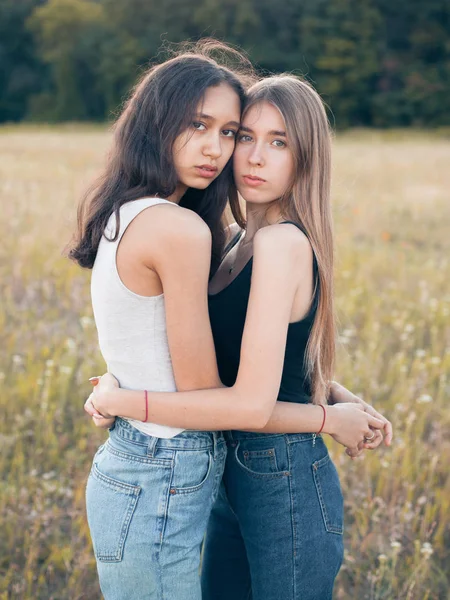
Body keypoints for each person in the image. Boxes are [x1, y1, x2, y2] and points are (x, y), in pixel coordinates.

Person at [85, 74, 392, 599]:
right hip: (233, 471)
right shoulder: (231, 241)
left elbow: (250, 403)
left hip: (285, 477)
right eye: (244, 136)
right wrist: (335, 396)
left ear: (307, 158)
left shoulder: (281, 244)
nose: (253, 157)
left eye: (279, 143)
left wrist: (123, 399)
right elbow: (253, 359)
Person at [69, 40, 254, 600]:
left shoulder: (123, 213)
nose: (215, 148)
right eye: (197, 124)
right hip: (162, 467)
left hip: (134, 461)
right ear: (156, 122)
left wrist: (119, 397)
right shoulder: (178, 229)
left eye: (229, 132)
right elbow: (207, 394)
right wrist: (322, 415)